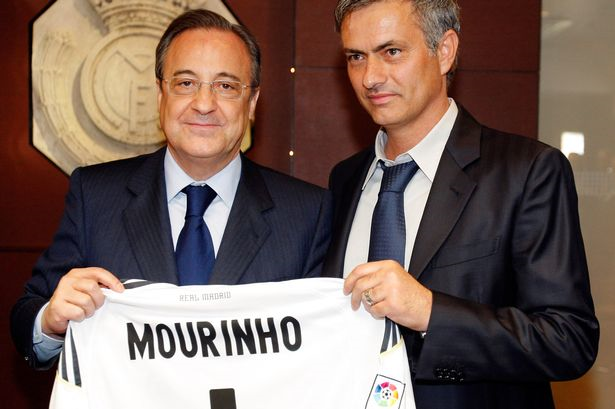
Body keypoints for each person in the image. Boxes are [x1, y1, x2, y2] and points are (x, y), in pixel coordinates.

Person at [11, 9, 331, 370]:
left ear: (252, 103)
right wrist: (50, 321)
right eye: (185, 83)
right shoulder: (95, 195)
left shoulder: (307, 213)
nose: (204, 104)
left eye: (226, 86)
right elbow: (28, 317)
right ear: (160, 94)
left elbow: (324, 351)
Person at [322, 1, 599, 408]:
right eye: (356, 57)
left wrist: (430, 312)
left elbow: (568, 340)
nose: (371, 77)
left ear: (445, 51)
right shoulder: (344, 179)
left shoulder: (526, 171)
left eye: (391, 51)